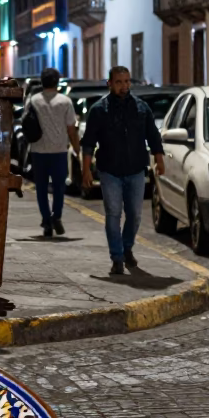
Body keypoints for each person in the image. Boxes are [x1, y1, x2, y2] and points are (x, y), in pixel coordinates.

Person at [82, 65, 166, 274]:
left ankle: (127, 247)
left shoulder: (141, 108)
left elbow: (153, 135)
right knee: (113, 213)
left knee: (136, 214)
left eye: (127, 81)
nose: (124, 86)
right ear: (109, 83)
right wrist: (86, 170)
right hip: (109, 170)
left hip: (136, 169)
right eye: (119, 82)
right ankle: (117, 258)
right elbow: (88, 143)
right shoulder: (99, 110)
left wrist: (159, 158)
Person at [28, 67, 80, 237]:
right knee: (59, 187)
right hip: (59, 151)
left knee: (41, 188)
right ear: (57, 82)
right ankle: (56, 216)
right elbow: (71, 129)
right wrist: (77, 148)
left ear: (41, 82)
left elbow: (25, 122)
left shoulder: (33, 100)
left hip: (38, 150)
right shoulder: (65, 102)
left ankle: (46, 220)